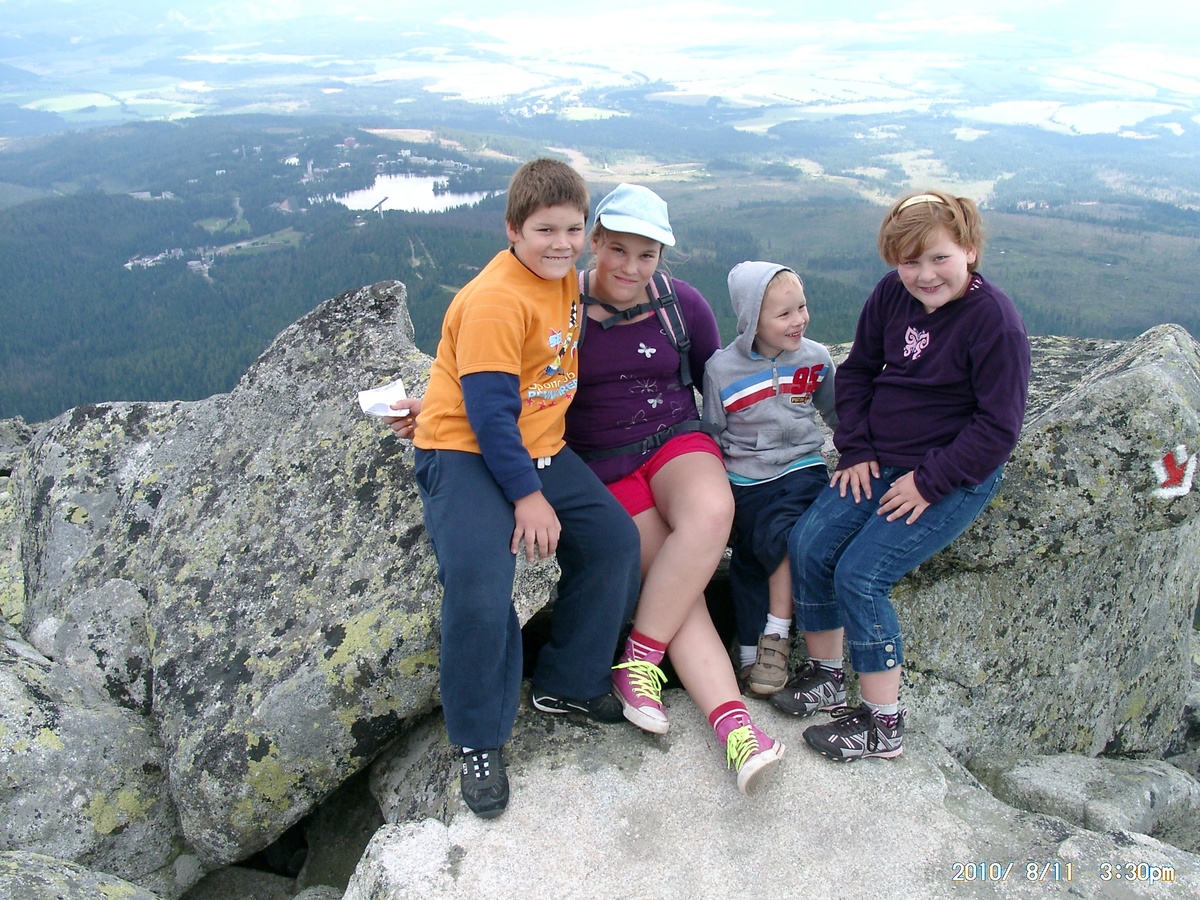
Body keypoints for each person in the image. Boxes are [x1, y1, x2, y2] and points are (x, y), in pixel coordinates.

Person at [388, 158, 642, 818]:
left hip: (536, 445)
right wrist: (527, 497)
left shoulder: (559, 282)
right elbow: (489, 414)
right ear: (512, 229)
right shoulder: (498, 300)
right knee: (479, 585)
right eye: (544, 230)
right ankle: (477, 738)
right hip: (466, 452)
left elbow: (500, 377)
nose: (561, 243)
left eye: (573, 229)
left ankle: (569, 682)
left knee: (614, 543)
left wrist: (442, 394)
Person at [772, 189, 1031, 762]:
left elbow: (997, 429)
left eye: (939, 257)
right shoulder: (892, 294)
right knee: (809, 543)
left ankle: (882, 724)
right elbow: (859, 371)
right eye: (910, 261)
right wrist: (857, 447)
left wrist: (929, 483)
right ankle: (826, 675)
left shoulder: (995, 324)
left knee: (861, 575)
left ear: (969, 250)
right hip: (879, 456)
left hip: (950, 474)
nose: (924, 274)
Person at [564, 183, 785, 793]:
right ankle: (737, 729)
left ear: (661, 256)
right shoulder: (558, 307)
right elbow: (508, 373)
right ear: (594, 241)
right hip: (604, 464)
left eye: (647, 255)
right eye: (618, 249)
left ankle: (638, 660)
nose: (630, 268)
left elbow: (721, 380)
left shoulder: (680, 304)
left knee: (712, 512)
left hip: (675, 442)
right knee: (678, 588)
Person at [701, 261, 837, 697]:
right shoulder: (722, 370)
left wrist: (860, 455)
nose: (799, 320)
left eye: (802, 307)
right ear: (751, 321)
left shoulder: (815, 359)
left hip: (801, 468)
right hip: (746, 480)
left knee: (782, 537)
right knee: (747, 561)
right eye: (784, 314)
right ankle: (748, 655)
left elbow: (838, 413)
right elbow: (712, 432)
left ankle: (776, 637)